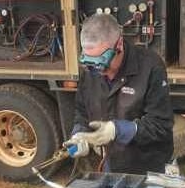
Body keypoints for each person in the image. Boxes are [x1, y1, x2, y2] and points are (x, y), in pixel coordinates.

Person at [64, 13, 174, 174]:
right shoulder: (90, 72)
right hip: (114, 163)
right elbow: (82, 112)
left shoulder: (150, 66)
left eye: (104, 64)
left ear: (119, 44)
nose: (100, 72)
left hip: (150, 165)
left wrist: (119, 130)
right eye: (92, 65)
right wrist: (79, 134)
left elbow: (161, 125)